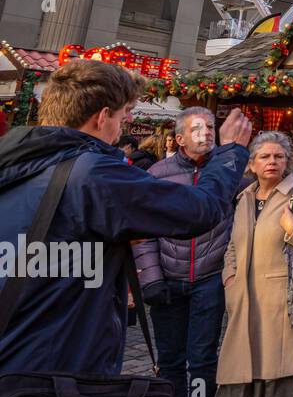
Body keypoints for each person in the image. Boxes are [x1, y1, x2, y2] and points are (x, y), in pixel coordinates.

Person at [0, 61, 251, 376]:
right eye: (125, 113)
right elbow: (199, 211)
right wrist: (230, 153)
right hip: (56, 372)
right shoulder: (92, 173)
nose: (129, 121)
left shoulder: (16, 164)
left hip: (14, 352)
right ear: (103, 117)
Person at [206, 132, 293, 397]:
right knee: (234, 383)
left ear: (287, 162)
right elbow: (233, 245)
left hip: (280, 308)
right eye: (264, 156)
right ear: (252, 164)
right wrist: (230, 278)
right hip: (244, 304)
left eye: (278, 156)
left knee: (277, 389)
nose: (272, 162)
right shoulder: (245, 197)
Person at [132, 107, 235, 397]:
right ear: (179, 138)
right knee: (171, 359)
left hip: (209, 278)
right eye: (197, 128)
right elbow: (143, 229)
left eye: (210, 127)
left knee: (203, 359)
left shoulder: (228, 171)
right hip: (167, 279)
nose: (206, 133)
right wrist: (150, 278)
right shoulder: (158, 173)